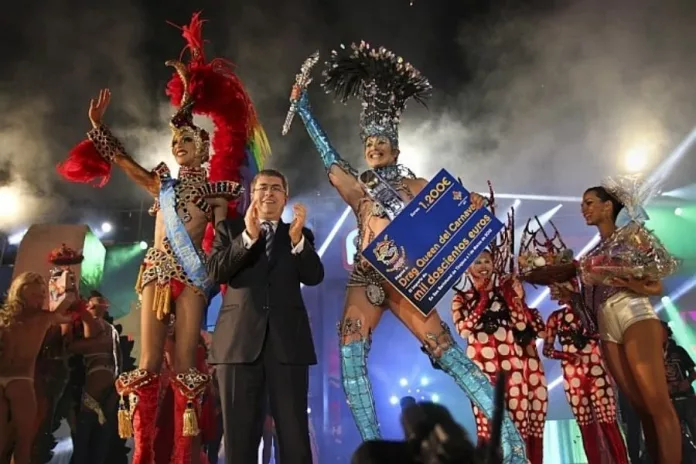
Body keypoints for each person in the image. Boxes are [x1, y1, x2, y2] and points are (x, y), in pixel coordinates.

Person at [288, 41, 526, 462]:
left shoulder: (415, 187)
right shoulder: (358, 189)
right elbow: (329, 156)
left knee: (450, 356)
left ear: (396, 149)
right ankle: (374, 451)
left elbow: (463, 203)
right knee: (350, 359)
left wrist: (474, 201)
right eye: (369, 143)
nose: (374, 147)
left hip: (407, 281)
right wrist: (304, 109)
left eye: (382, 142)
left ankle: (511, 444)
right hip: (366, 279)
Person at [56, 12, 269, 464]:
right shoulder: (162, 185)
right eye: (175, 143)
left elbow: (225, 233)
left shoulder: (217, 187)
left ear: (203, 147)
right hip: (157, 271)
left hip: (192, 278)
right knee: (148, 366)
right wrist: (98, 129)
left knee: (188, 368)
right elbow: (127, 163)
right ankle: (143, 454)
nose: (178, 147)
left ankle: (184, 456)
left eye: (187, 142)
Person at [553, 181, 681, 463]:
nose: (583, 208)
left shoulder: (632, 236)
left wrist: (630, 283)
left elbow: (656, 285)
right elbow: (589, 313)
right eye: (582, 203)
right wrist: (569, 298)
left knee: (657, 402)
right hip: (606, 326)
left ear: (607, 206)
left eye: (589, 202)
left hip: (635, 314)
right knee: (639, 406)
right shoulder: (588, 259)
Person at [207, 169, 324, 464]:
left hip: (288, 345)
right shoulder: (230, 230)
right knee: (239, 437)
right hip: (238, 345)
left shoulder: (299, 233)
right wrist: (248, 237)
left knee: (294, 435)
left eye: (275, 188)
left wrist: (298, 242)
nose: (268, 193)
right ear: (252, 194)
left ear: (285, 197)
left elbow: (314, 276)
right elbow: (216, 272)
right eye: (262, 188)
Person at [452, 247, 546, 463]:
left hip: (512, 370)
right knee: (488, 431)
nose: (483, 266)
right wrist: (482, 301)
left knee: (518, 426)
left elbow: (521, 324)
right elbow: (464, 330)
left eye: (486, 261)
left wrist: (513, 297)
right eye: (477, 262)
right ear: (468, 268)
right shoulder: (461, 299)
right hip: (482, 374)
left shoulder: (504, 295)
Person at [545, 280, 628, 463]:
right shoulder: (555, 318)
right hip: (572, 375)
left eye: (565, 285)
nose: (560, 290)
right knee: (585, 425)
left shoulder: (591, 312)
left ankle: (622, 461)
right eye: (558, 287)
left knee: (609, 422)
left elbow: (604, 333)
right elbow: (547, 350)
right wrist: (566, 355)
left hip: (596, 370)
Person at [0, 272, 76, 464]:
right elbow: (69, 305)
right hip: (20, 381)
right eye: (37, 295)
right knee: (23, 443)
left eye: (41, 295)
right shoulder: (42, 318)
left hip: (14, 378)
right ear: (22, 293)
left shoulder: (7, 318)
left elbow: (67, 307)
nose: (40, 299)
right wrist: (67, 281)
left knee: (16, 442)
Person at [69, 291, 121, 464]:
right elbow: (71, 347)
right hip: (90, 395)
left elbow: (118, 361)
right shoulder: (89, 323)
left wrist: (116, 391)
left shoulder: (111, 330)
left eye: (101, 305)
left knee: (100, 447)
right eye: (93, 305)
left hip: (110, 393)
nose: (95, 308)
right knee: (83, 445)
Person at [661, 322, 696, 451]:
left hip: (687, 399)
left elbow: (693, 372)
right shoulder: (653, 354)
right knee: (676, 438)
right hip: (669, 403)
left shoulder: (678, 350)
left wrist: (686, 382)